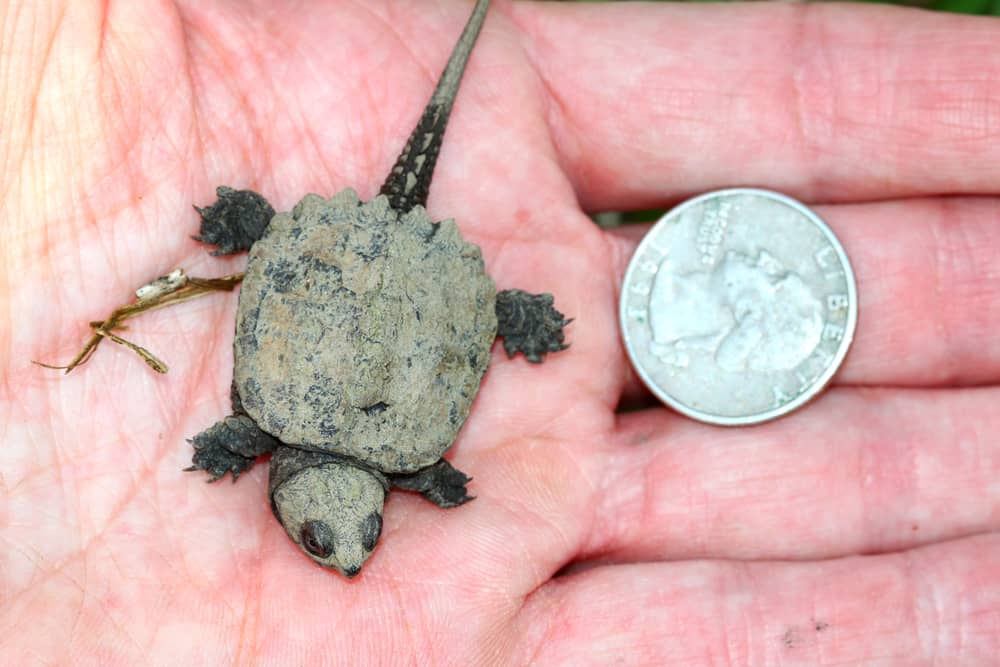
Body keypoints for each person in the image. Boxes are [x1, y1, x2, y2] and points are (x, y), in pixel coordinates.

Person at [2, 1, 998, 662]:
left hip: (374, 271)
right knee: (415, 286)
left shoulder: (316, 431)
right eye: (361, 536)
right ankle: (360, 258)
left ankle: (310, 241)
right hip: (377, 270)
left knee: (357, 263)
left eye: (337, 533)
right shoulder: (335, 434)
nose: (351, 554)